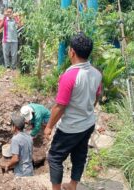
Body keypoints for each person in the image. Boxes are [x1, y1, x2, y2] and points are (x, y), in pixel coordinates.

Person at [44, 33, 102, 190]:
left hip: (71, 127)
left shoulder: (69, 76)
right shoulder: (96, 73)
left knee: (55, 157)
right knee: (79, 155)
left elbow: (60, 106)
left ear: (72, 52)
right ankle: (73, 185)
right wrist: (86, 108)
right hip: (88, 123)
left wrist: (49, 126)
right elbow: (96, 96)